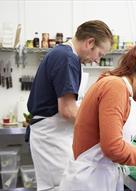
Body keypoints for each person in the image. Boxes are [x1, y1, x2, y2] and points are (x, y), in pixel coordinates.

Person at [59, 43, 136, 191]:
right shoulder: (115, 87)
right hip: (91, 181)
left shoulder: (115, 84)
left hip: (96, 176)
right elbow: (112, 147)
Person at [27, 20, 113, 191]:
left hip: (55, 134)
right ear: (89, 42)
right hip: (52, 137)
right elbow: (67, 110)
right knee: (61, 187)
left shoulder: (66, 55)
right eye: (100, 54)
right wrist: (102, 128)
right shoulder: (67, 58)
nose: (97, 60)